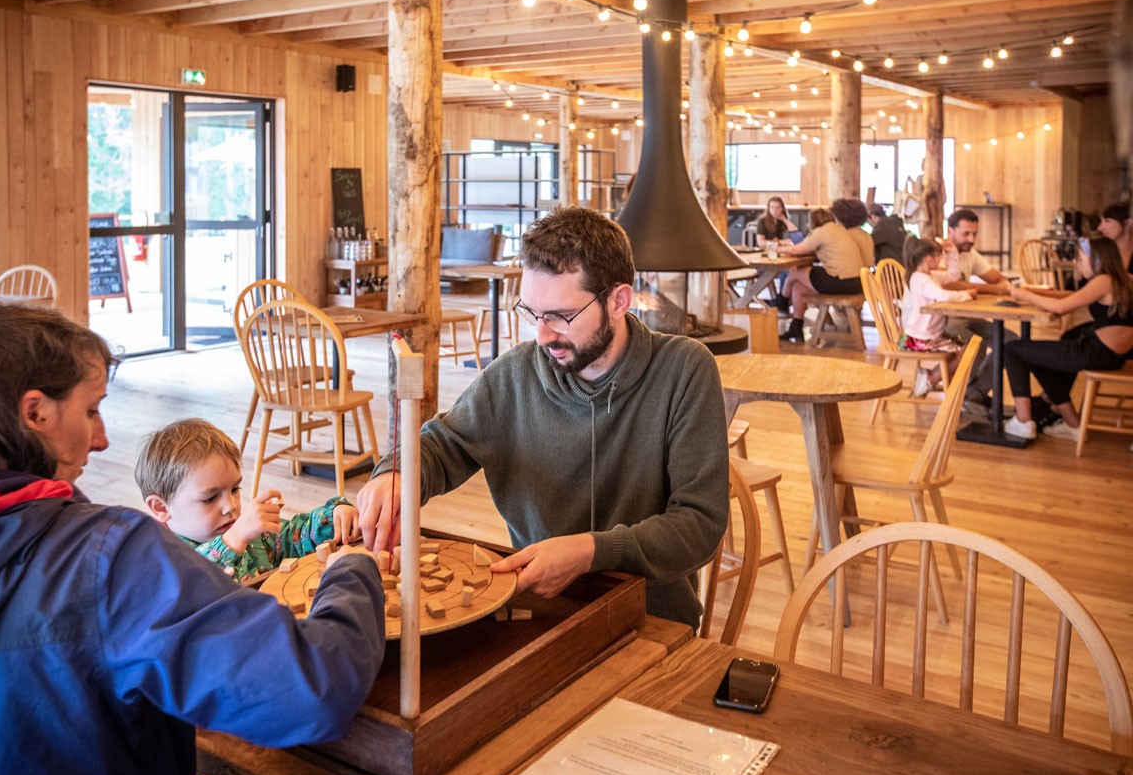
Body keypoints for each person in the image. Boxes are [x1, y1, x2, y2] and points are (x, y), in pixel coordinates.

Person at [0, 302, 385, 775]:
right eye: (92, 410)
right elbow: (315, 688)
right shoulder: (106, 555)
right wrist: (353, 567)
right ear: (36, 413)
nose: (102, 440)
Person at [355, 206, 729, 631]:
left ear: (619, 301)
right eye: (532, 313)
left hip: (652, 620)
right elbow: (443, 445)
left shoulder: (684, 370)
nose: (542, 335)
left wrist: (591, 551)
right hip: (538, 611)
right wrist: (395, 474)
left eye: (561, 316)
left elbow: (700, 524)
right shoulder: (515, 373)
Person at [136, 417, 360, 581]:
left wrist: (334, 517)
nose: (231, 507)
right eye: (211, 498)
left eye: (234, 489)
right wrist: (232, 541)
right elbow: (193, 584)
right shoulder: (161, 561)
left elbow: (295, 536)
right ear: (160, 507)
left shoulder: (247, 532)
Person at [1002, 236, 1133, 441]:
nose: (1077, 264)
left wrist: (1024, 295)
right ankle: (1072, 423)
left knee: (1013, 349)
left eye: (1081, 259)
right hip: (1114, 356)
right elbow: (1071, 297)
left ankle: (1023, 421)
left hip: (1096, 352)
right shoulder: (1125, 279)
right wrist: (1037, 292)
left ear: (1098, 260)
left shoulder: (1103, 281)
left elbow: (1060, 308)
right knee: (1044, 355)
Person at [936, 208, 1014, 417]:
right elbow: (950, 284)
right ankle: (964, 396)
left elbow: (997, 279)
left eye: (975, 234)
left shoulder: (970, 254)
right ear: (950, 231)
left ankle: (973, 394)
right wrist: (994, 289)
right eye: (966, 234)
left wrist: (1002, 285)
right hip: (938, 319)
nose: (971, 239)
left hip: (966, 315)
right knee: (974, 344)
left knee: (1011, 342)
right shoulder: (938, 253)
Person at [778, 199, 870, 343]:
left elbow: (798, 249)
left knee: (795, 272)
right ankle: (796, 328)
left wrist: (777, 249)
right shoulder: (842, 231)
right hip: (857, 282)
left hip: (840, 281)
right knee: (798, 288)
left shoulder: (823, 231)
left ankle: (781, 301)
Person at [898, 236, 978, 397]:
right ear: (929, 259)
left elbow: (953, 275)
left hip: (926, 335)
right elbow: (942, 296)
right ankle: (931, 378)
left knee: (965, 348)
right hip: (918, 339)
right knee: (964, 351)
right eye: (938, 256)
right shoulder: (922, 280)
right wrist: (966, 295)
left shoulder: (928, 275)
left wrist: (952, 252)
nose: (940, 259)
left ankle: (929, 376)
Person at [1097, 202, 1132, 270]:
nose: (1099, 228)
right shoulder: (1104, 254)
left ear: (1127, 222)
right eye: (1101, 221)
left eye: (1107, 221)